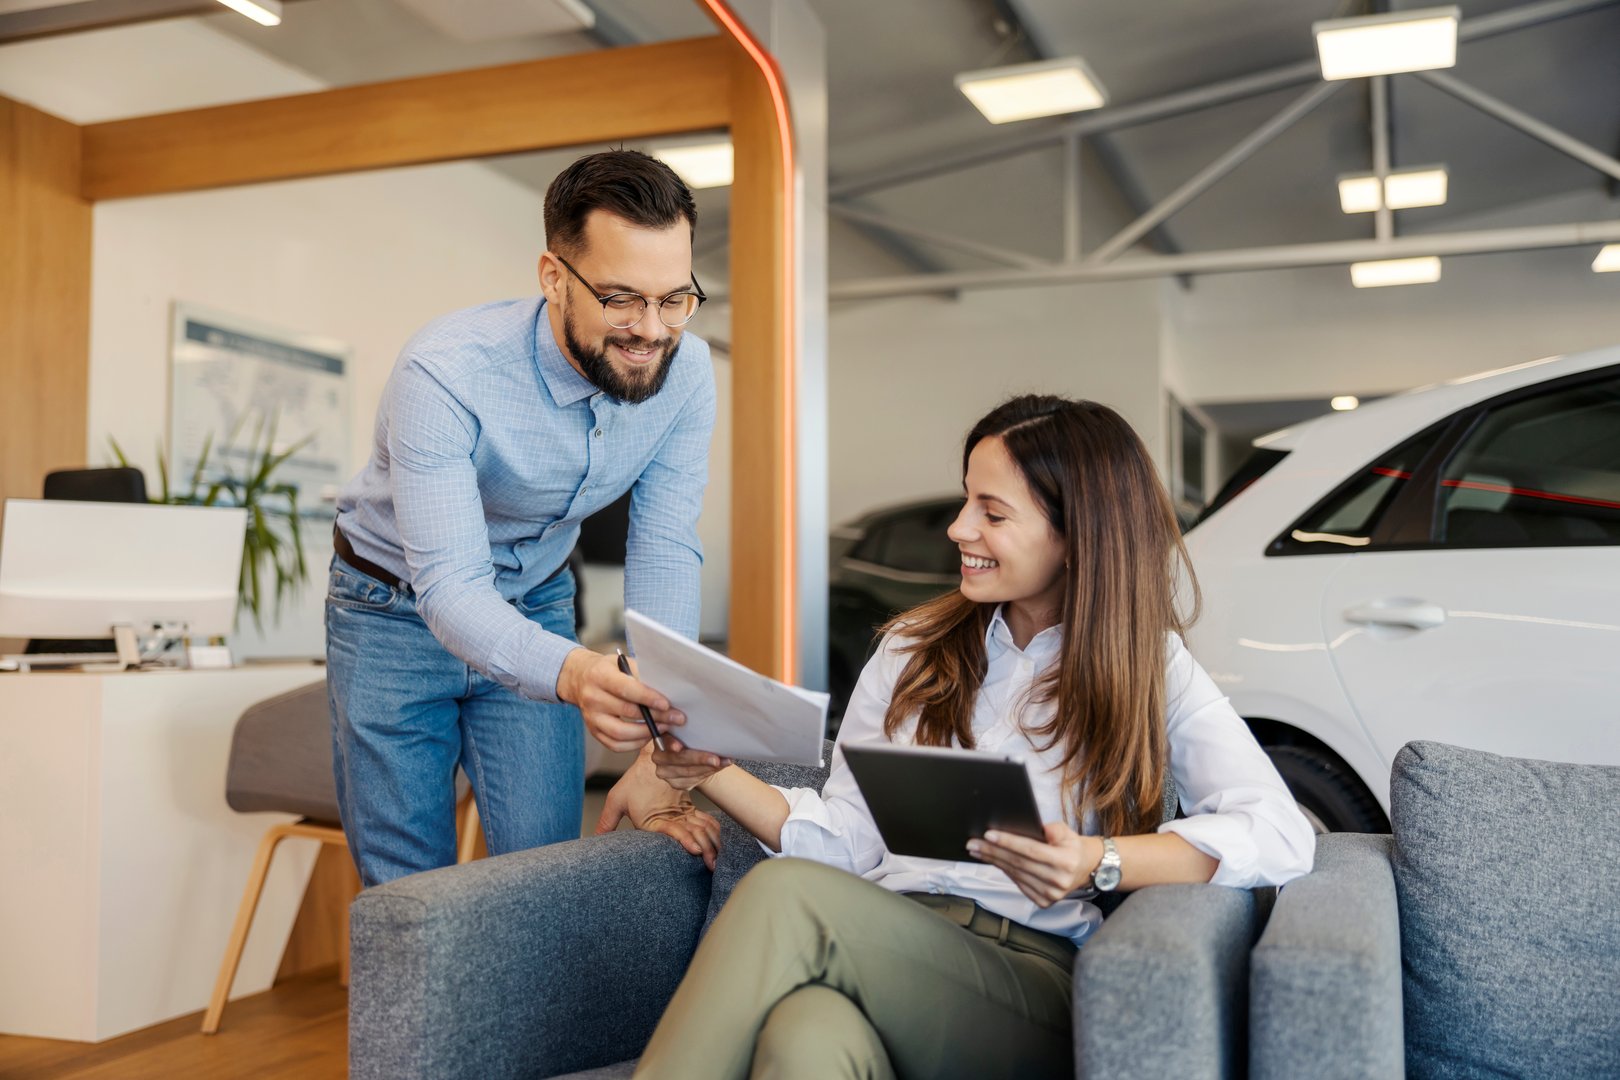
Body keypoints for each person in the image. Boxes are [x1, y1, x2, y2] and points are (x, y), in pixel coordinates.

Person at [635, 394, 1316, 1079]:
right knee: (805, 1036)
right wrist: (708, 771)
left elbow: (1280, 835)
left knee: (784, 894)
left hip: (1029, 978)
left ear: (1077, 536)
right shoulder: (909, 648)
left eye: (992, 513)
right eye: (967, 502)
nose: (960, 528)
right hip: (888, 939)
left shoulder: (1150, 667)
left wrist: (1097, 859)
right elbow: (846, 839)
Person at [327, 149, 720, 888]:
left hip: (535, 600)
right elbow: (448, 586)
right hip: (392, 605)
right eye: (621, 299)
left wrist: (660, 743)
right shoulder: (445, 373)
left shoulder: (686, 374)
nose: (651, 330)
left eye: (674, 299)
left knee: (544, 874)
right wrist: (575, 674)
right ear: (552, 278)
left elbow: (665, 544)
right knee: (408, 890)